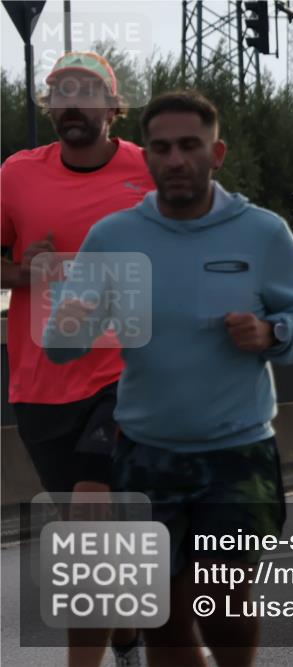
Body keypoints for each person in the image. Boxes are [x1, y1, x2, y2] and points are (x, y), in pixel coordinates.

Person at [45, 90, 293, 666]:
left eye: (190, 146)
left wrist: (271, 334)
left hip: (238, 453)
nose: (176, 160)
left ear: (216, 153)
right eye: (162, 147)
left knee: (223, 601)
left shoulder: (262, 232)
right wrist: (72, 321)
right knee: (164, 619)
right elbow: (60, 345)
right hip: (146, 454)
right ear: (146, 156)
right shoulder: (114, 236)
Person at [0, 51, 153, 667]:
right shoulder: (15, 175)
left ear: (114, 108)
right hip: (40, 383)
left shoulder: (150, 170)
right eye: (60, 93)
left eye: (87, 92)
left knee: (93, 504)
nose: (71, 103)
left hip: (128, 373)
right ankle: (126, 635)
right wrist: (22, 269)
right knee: (85, 532)